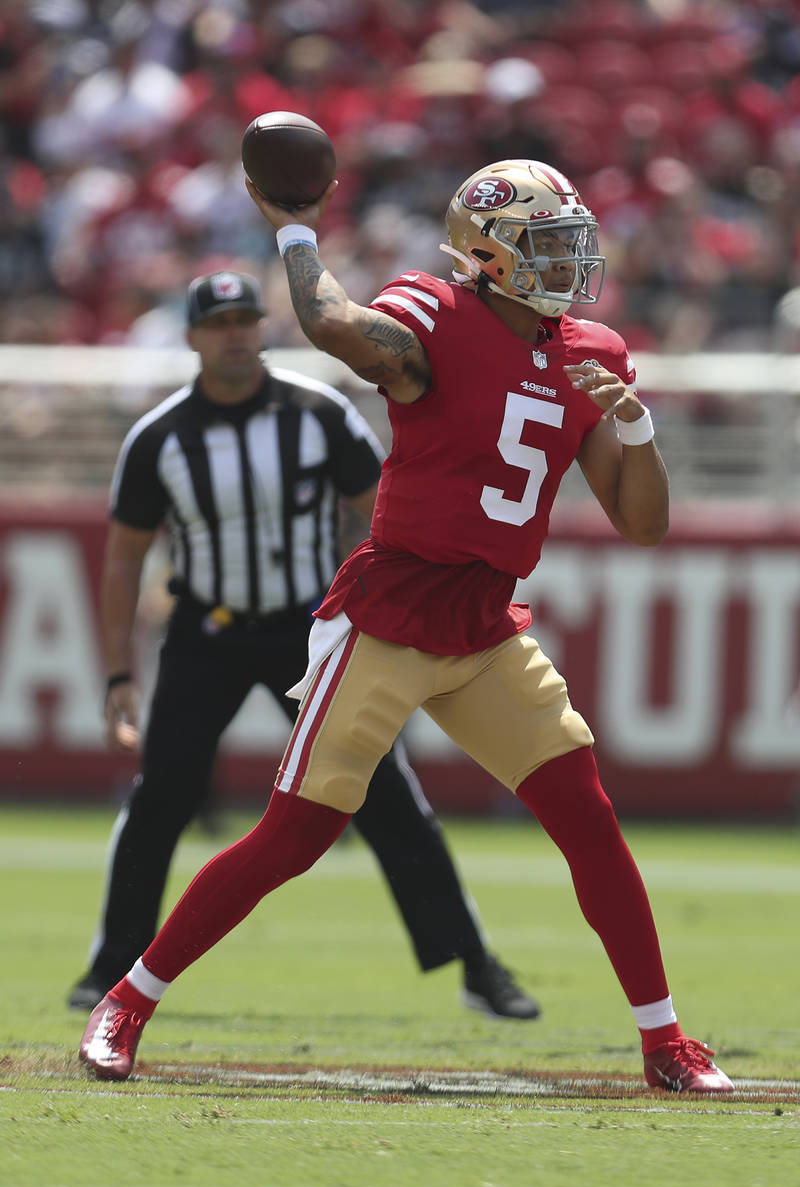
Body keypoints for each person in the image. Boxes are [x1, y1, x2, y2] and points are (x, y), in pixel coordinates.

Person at [80, 159, 734, 1093]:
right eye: (544, 244)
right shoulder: (436, 313)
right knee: (295, 836)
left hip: (485, 623)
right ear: (486, 256)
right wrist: (297, 232)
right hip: (390, 613)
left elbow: (644, 524)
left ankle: (666, 1041)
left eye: (569, 241)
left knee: (587, 818)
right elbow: (333, 324)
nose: (567, 261)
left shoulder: (594, 349)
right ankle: (127, 1000)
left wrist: (635, 433)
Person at [68, 268, 539, 1022]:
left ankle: (475, 965)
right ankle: (111, 966)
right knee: (163, 796)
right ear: (191, 338)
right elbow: (125, 557)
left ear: (263, 327)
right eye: (220, 324)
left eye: (247, 320)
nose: (236, 335)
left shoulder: (317, 413)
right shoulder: (159, 435)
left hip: (307, 631)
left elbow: (389, 511)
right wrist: (119, 671)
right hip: (207, 631)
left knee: (387, 794)